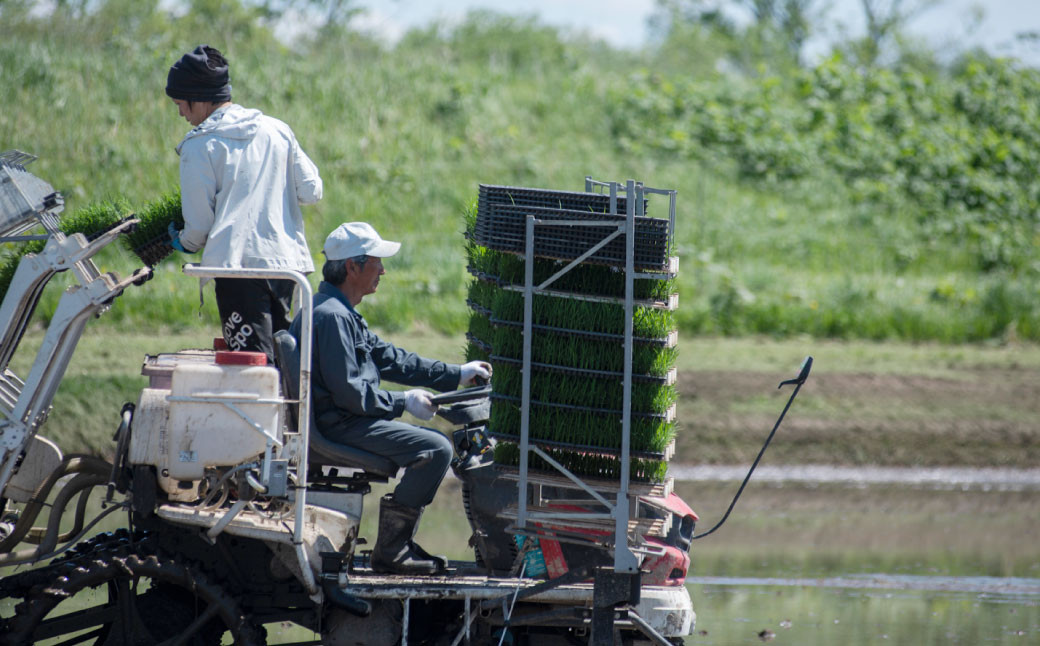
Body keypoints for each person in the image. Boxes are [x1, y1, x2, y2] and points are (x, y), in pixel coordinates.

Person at [289, 222, 491, 575]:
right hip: (339, 426)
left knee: (434, 444)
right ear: (352, 267)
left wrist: (456, 374)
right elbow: (353, 395)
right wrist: (403, 403)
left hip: (344, 419)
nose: (383, 269)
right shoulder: (332, 318)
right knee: (435, 450)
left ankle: (395, 546)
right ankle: (393, 550)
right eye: (376, 261)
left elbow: (392, 359)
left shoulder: (337, 311)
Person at [165, 44, 322, 362]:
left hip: (237, 269)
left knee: (251, 365)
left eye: (181, 104)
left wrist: (183, 241)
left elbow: (199, 226)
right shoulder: (277, 130)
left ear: (199, 98)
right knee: (283, 359)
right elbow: (312, 191)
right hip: (286, 267)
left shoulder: (199, 145)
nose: (181, 113)